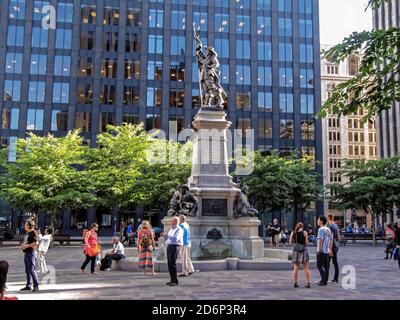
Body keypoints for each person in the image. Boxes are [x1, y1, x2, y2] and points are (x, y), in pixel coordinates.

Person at [162, 217, 183, 286]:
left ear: (177, 222)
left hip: (175, 246)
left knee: (172, 263)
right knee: (169, 263)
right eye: (172, 221)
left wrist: (168, 236)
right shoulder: (171, 229)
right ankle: (172, 279)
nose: (172, 222)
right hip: (169, 246)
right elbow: (168, 238)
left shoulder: (179, 229)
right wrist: (165, 236)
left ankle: (175, 280)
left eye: (174, 221)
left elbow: (176, 239)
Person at [20, 220, 40, 292]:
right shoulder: (27, 233)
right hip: (27, 253)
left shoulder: (33, 232)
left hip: (31, 253)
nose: (24, 225)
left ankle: (36, 286)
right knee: (27, 270)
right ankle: (28, 285)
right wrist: (22, 246)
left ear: (29, 225)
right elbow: (27, 242)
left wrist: (26, 245)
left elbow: (36, 243)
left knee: (32, 270)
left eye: (25, 224)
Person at [289, 223, 311, 288]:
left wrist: (294, 241)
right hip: (303, 251)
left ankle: (295, 283)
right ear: (302, 227)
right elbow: (306, 243)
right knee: (305, 267)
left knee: (296, 267)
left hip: (296, 251)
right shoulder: (305, 233)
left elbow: (290, 242)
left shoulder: (293, 233)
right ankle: (308, 283)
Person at [316, 216, 333, 286]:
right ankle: (325, 280)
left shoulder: (321, 229)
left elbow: (320, 240)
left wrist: (319, 249)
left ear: (321, 221)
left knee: (319, 265)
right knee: (326, 267)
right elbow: (331, 240)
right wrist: (330, 249)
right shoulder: (328, 229)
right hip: (327, 251)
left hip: (322, 251)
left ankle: (323, 280)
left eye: (318, 220)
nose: (317, 221)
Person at [327, 214, 340, 283]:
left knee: (327, 262)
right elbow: (338, 236)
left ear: (329, 218)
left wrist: (330, 249)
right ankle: (336, 278)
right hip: (336, 245)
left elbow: (330, 238)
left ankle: (325, 278)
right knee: (335, 262)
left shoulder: (330, 226)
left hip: (332, 246)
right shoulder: (336, 225)